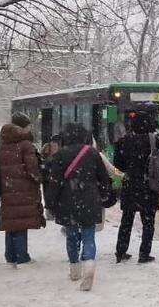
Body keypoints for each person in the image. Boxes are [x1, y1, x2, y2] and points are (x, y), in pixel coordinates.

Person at [44, 123, 111, 291]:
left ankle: (75, 268)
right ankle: (89, 263)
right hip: (90, 200)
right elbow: (104, 179)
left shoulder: (60, 155)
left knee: (71, 235)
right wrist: (103, 195)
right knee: (89, 235)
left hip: (68, 201)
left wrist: (50, 203)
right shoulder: (93, 153)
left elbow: (54, 183)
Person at [0, 114, 45, 266]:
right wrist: (39, 177)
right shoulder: (25, 145)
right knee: (21, 222)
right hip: (24, 189)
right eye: (28, 125)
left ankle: (10, 255)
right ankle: (22, 255)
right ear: (22, 127)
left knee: (11, 221)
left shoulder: (3, 143)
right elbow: (32, 169)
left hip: (7, 187)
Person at [113, 113, 156, 263]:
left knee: (127, 220)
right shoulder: (153, 141)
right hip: (147, 185)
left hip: (130, 184)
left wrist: (130, 169)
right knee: (148, 222)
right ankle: (144, 253)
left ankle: (120, 251)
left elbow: (118, 165)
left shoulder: (123, 142)